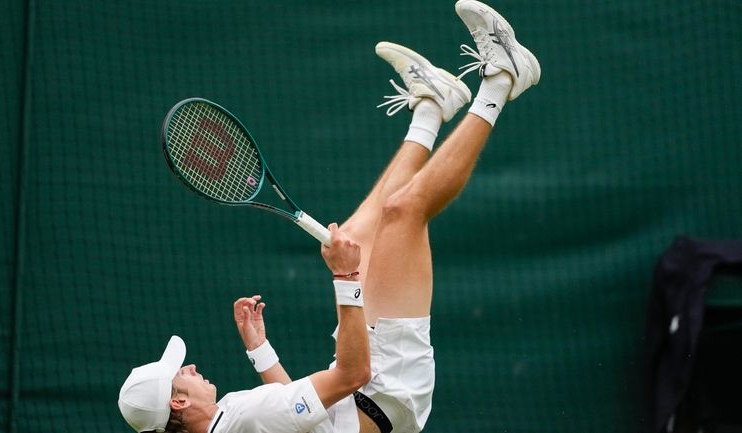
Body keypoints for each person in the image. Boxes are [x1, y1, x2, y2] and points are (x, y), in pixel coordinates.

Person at [118, 1, 541, 432]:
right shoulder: (239, 419)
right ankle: (502, 79)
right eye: (179, 373)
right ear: (178, 400)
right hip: (387, 383)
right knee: (404, 212)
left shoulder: (229, 422)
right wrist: (345, 278)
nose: (189, 367)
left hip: (371, 392)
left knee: (359, 230)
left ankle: (432, 108)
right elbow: (350, 375)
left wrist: (260, 351)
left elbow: (298, 418)